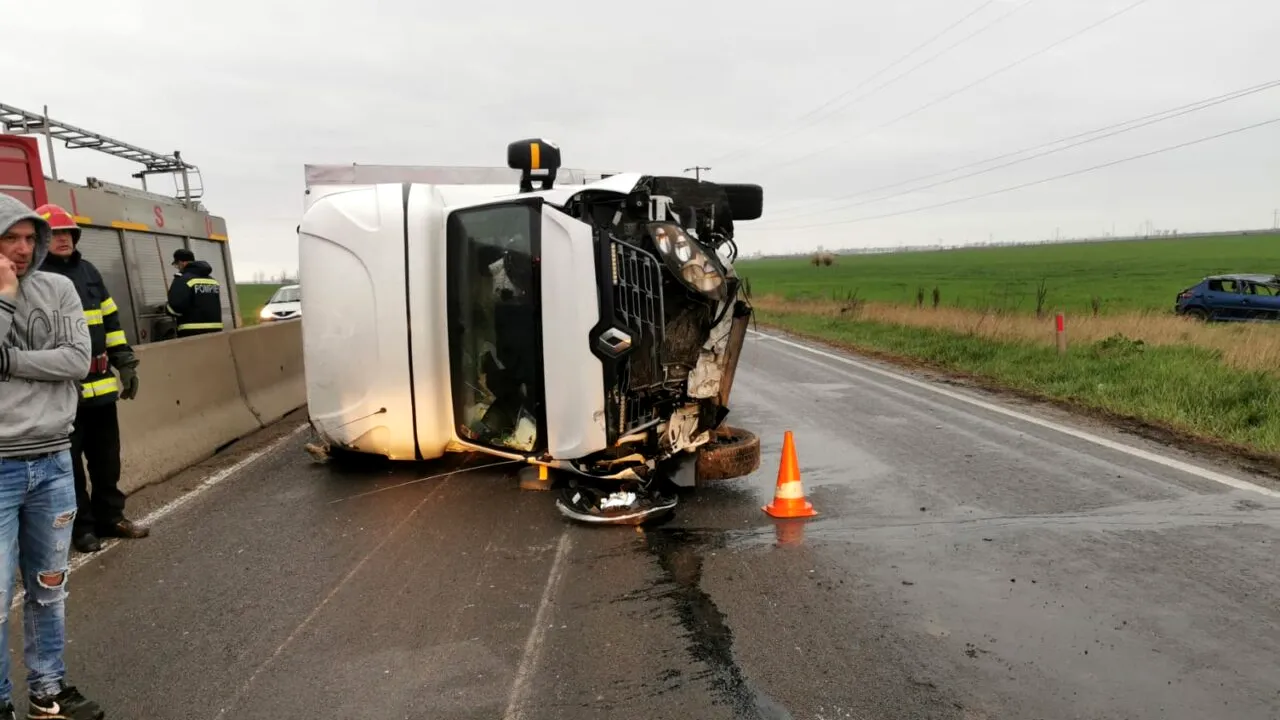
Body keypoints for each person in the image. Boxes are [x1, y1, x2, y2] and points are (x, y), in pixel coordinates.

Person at [0, 194, 106, 720]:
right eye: (10, 239)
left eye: (29, 239)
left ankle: (49, 689)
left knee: (49, 587)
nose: (22, 250)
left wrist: (10, 360)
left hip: (53, 460)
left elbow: (77, 359)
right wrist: (2, 295)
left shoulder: (59, 287)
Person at [36, 204, 148, 553]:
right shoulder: (35, 279)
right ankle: (82, 529)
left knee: (106, 460)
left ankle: (110, 518)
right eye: (55, 234)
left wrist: (124, 361)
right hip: (62, 392)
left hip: (100, 389)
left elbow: (111, 321)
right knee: (69, 467)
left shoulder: (88, 272)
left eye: (68, 233)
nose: (64, 239)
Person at [165, 248, 223, 337]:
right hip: (216, 329)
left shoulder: (183, 279)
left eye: (177, 265)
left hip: (191, 331)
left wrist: (167, 308)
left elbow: (175, 307)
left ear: (181, 263)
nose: (178, 268)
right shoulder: (212, 280)